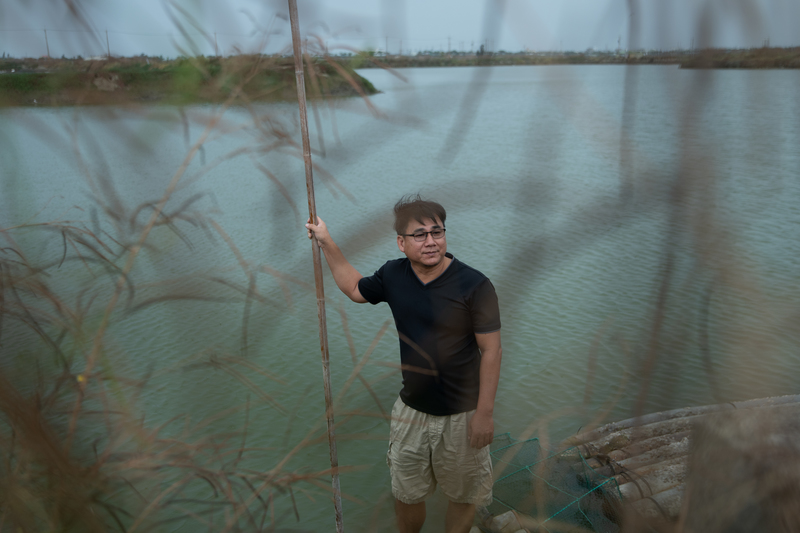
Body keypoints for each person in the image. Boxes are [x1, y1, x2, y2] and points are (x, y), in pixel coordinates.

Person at [306, 195, 502, 533]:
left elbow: (493, 350)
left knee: (464, 496)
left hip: (463, 415)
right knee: (407, 496)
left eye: (437, 232)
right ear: (401, 242)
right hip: (411, 412)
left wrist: (484, 413)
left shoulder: (475, 285)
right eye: (420, 234)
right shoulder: (393, 275)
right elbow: (354, 287)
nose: (430, 242)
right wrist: (326, 241)